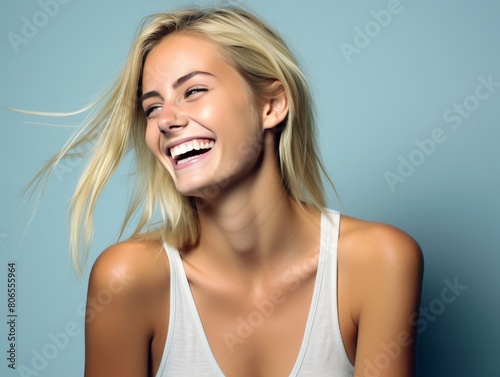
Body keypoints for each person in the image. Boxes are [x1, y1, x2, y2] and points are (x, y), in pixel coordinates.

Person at [40, 5, 422, 377]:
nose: (167, 120)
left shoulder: (379, 261)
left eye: (193, 91)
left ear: (271, 105)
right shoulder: (128, 279)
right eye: (152, 108)